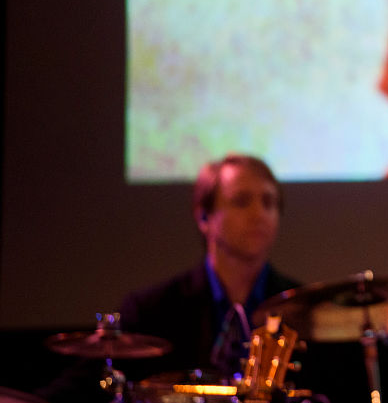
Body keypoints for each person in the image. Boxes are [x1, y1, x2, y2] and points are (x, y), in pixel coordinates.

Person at [118, 153, 300, 379]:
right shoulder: (152, 311)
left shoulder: (302, 310)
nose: (259, 214)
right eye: (242, 201)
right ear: (204, 217)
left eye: (269, 203)